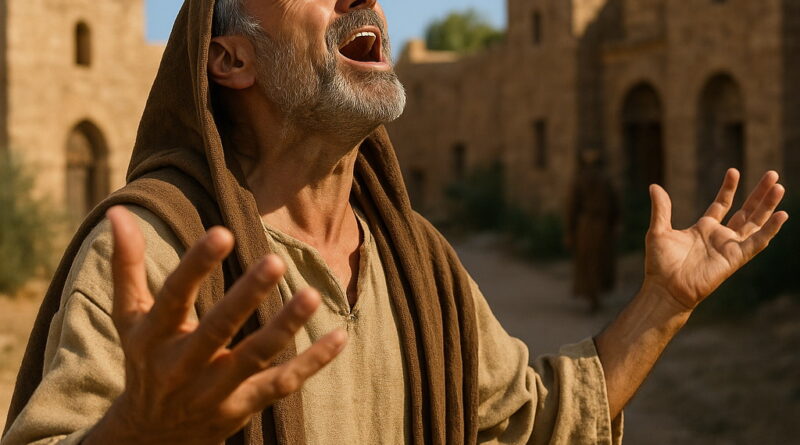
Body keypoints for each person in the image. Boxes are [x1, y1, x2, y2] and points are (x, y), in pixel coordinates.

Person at [2, 1, 789, 444]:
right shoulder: (155, 254)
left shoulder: (421, 267)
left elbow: (538, 422)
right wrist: (143, 431)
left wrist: (662, 306)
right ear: (230, 61)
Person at [566, 149, 620, 313]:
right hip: (593, 224)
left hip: (591, 224)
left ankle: (594, 295)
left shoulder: (586, 180)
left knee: (595, 260)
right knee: (591, 260)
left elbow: (572, 208)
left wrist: (570, 230)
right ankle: (593, 295)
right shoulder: (599, 180)